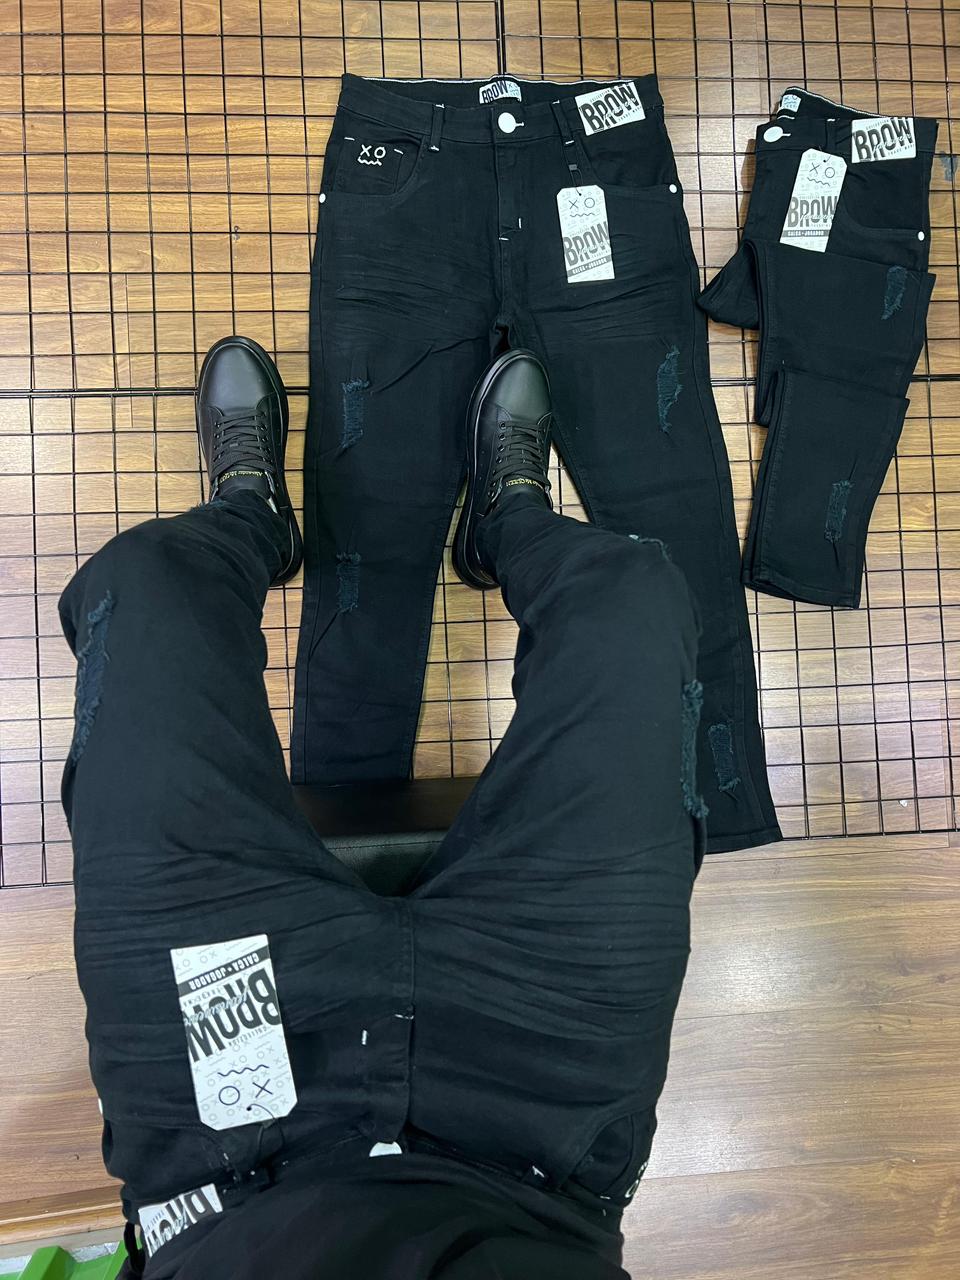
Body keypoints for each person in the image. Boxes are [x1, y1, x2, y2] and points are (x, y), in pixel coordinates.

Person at [59, 337, 705, 1279]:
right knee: (636, 600)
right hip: (532, 1133)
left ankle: (247, 514)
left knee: (148, 584)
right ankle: (510, 521)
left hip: (233, 1148)